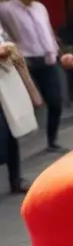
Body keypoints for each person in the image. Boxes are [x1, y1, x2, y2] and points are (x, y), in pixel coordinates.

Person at [0, 0, 73, 152]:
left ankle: (52, 141)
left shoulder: (40, 7)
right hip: (24, 63)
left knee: (56, 102)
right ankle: (17, 145)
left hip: (47, 60)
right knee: (25, 104)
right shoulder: (5, 9)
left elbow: (48, 33)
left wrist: (61, 54)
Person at [0, 27, 40, 193]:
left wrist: (8, 49)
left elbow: (10, 47)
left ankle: (16, 180)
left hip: (6, 83)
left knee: (11, 133)